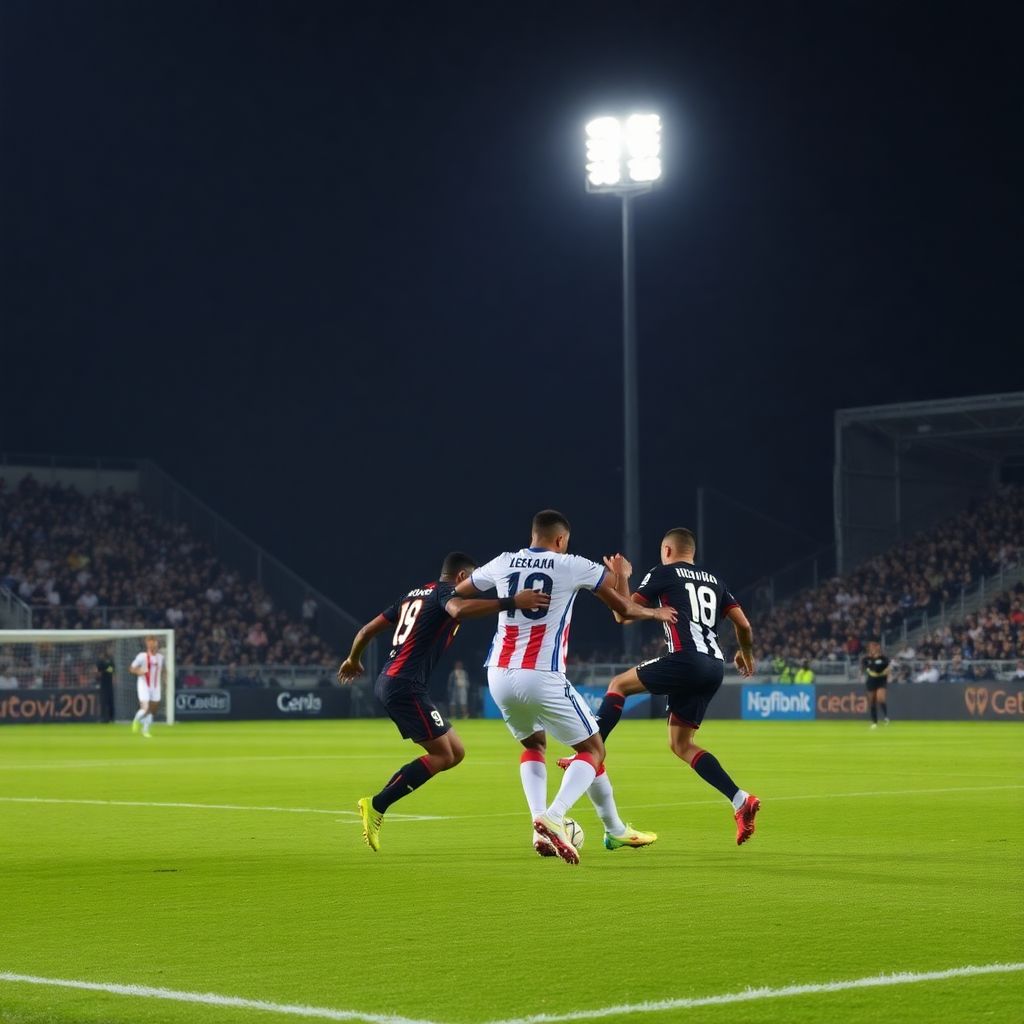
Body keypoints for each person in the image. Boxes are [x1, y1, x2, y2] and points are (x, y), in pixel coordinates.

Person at [453, 510, 677, 866]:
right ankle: (554, 816)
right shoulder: (572, 564)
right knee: (594, 750)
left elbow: (457, 598)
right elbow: (624, 610)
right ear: (560, 540)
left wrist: (504, 600)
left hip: (497, 673)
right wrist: (632, 588)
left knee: (534, 744)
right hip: (540, 674)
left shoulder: (504, 561)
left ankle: (560, 825)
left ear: (533, 534)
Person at [338, 551, 550, 853]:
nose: (475, 586)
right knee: (442, 755)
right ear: (463, 577)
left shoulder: (411, 595)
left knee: (455, 752)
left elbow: (366, 630)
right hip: (404, 685)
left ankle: (376, 804)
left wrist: (352, 659)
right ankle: (376, 805)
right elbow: (459, 611)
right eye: (474, 580)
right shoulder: (445, 592)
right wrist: (512, 601)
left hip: (397, 682)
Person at [570, 528, 761, 847]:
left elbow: (623, 614)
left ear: (668, 551)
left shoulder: (664, 572)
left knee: (619, 684)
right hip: (714, 667)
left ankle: (590, 754)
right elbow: (744, 624)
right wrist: (747, 653)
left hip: (686, 659)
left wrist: (621, 577)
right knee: (681, 743)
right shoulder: (715, 581)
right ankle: (741, 800)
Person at [128, 635, 164, 738]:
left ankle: (145, 730)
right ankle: (136, 720)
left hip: (156, 687)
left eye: (154, 642)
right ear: (147, 644)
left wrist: (165, 680)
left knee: (151, 711)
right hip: (143, 684)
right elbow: (131, 668)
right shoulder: (142, 656)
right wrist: (139, 671)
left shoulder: (161, 658)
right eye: (150, 642)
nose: (153, 645)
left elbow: (162, 671)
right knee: (145, 708)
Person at [862, 641, 890, 727]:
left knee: (880, 698)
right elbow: (866, 668)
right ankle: (874, 722)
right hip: (871, 680)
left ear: (878, 648)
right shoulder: (866, 659)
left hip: (881, 680)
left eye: (874, 647)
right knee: (872, 701)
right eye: (871, 647)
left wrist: (884, 671)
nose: (873, 649)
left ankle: (885, 717)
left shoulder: (884, 658)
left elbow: (885, 668)